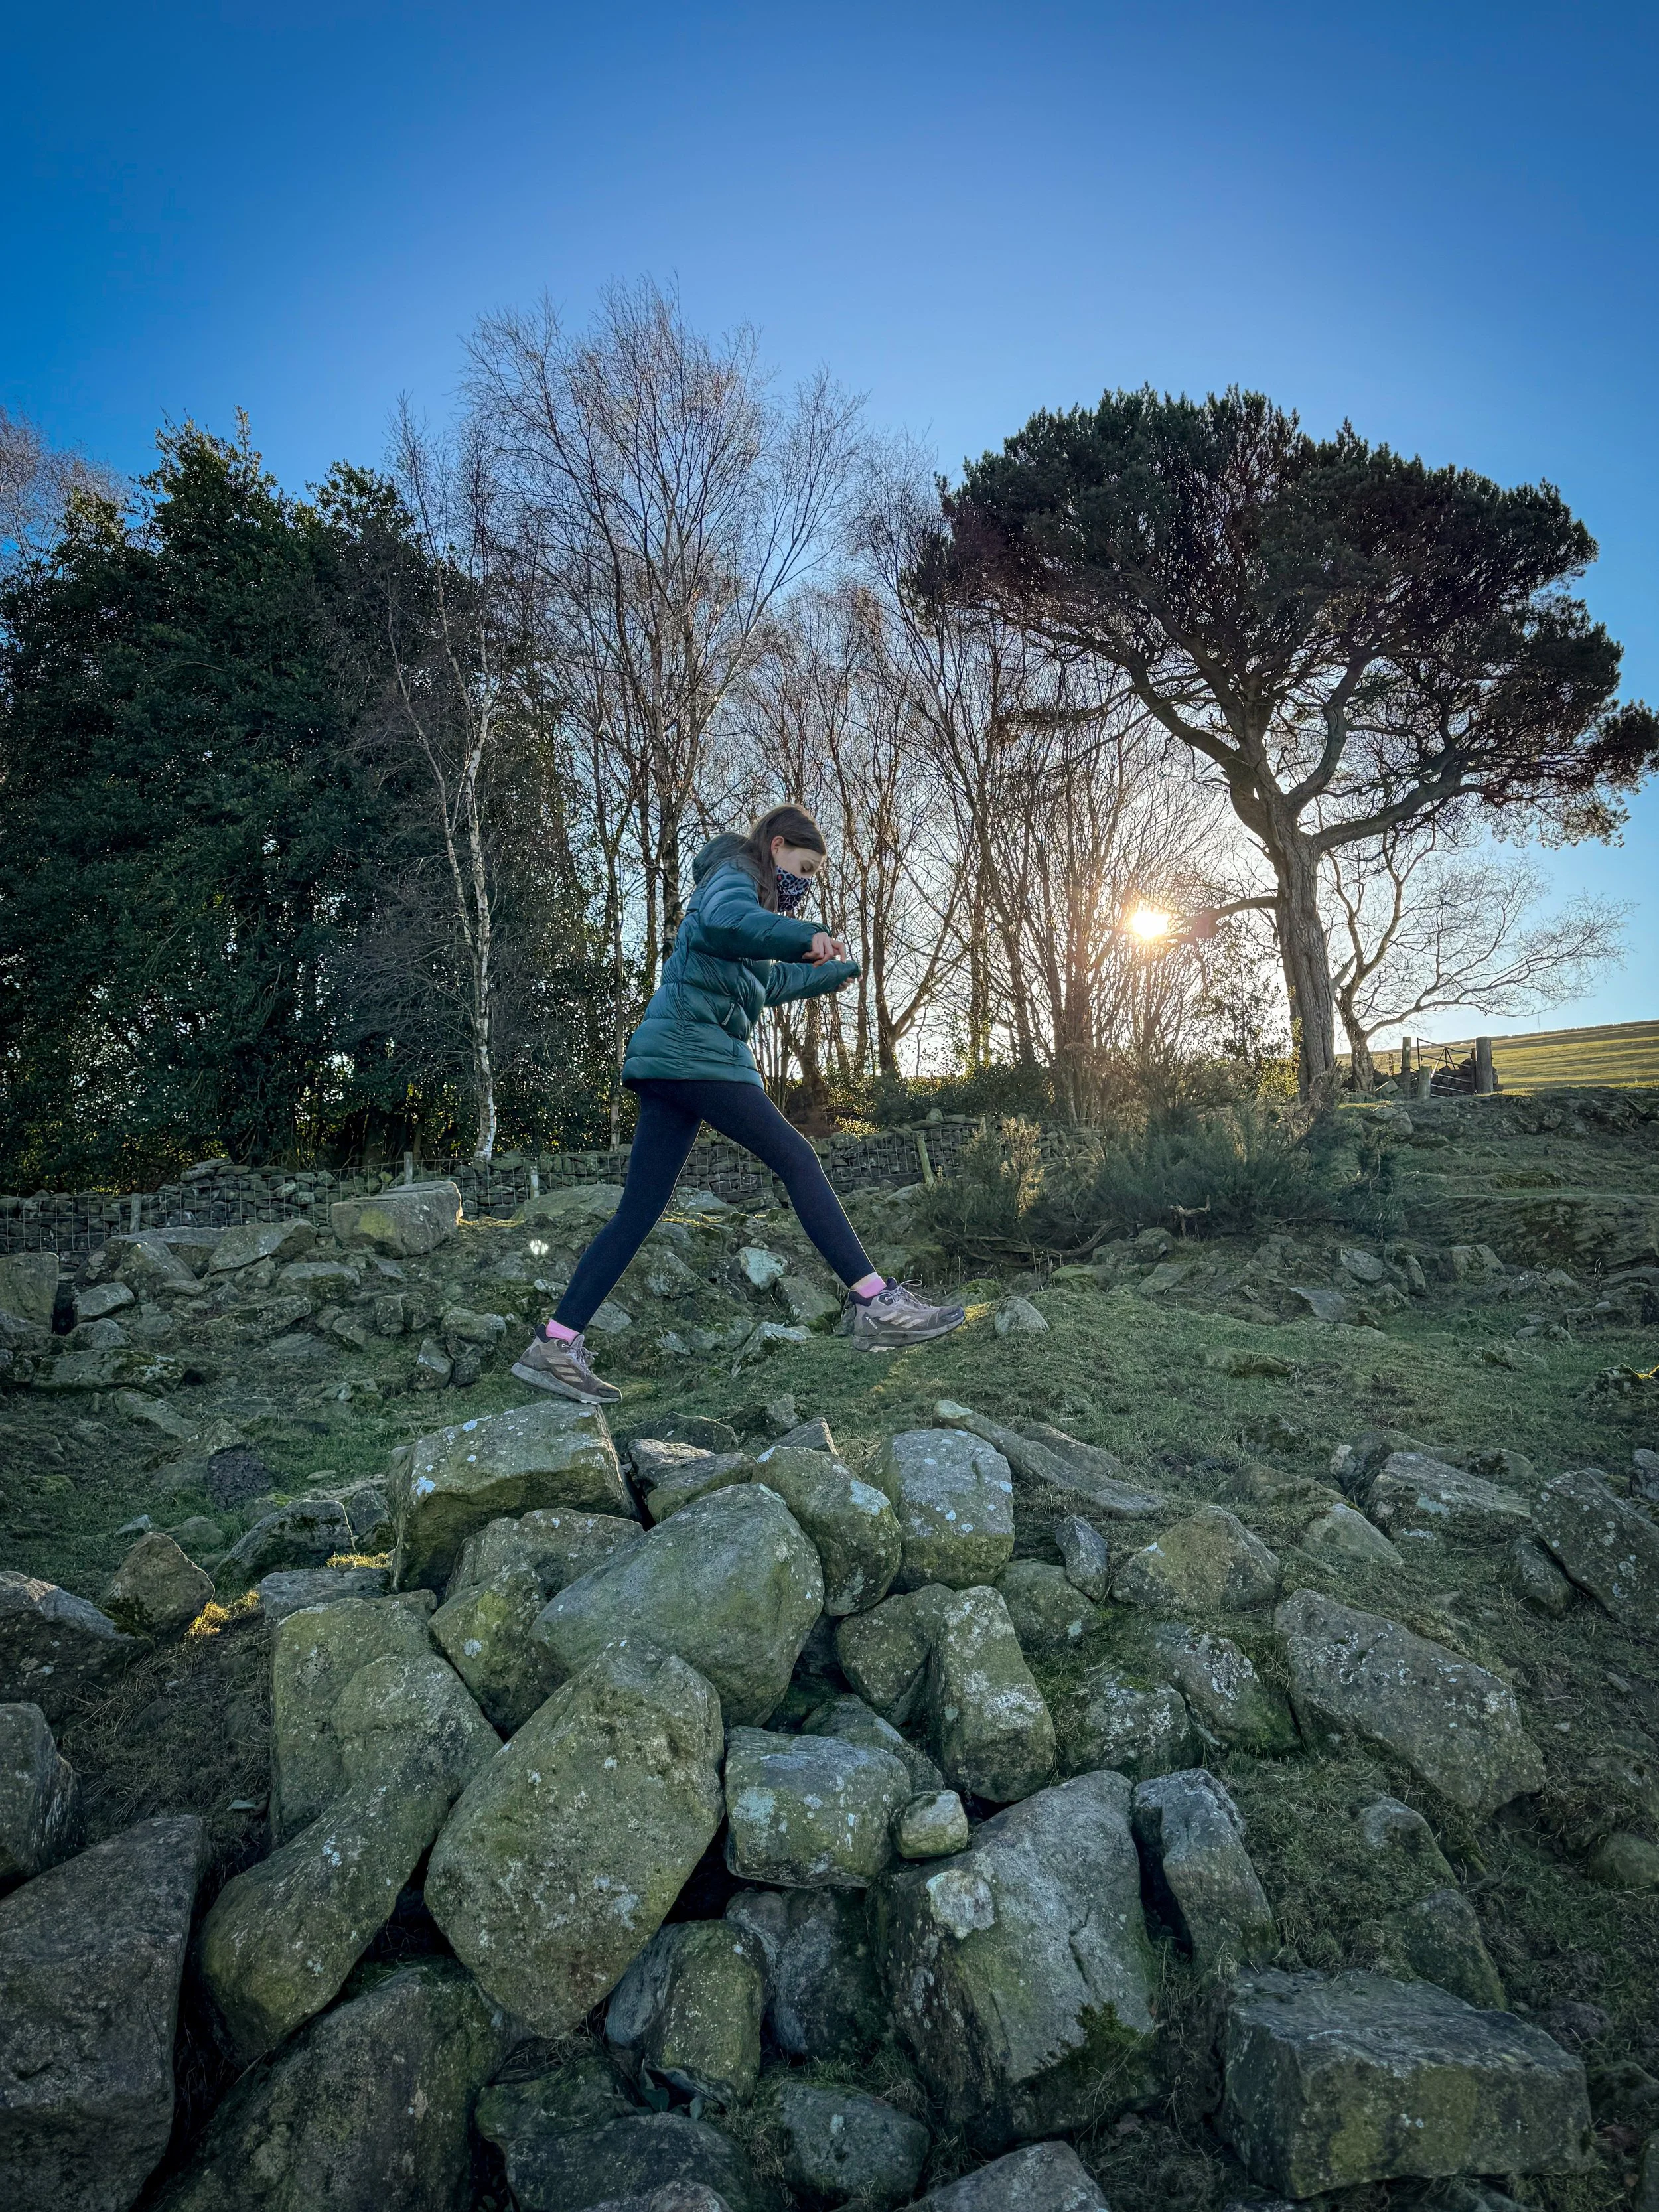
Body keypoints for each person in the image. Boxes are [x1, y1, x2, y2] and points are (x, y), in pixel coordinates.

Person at [512, 804, 966, 1404]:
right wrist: (805, 934)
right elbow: (727, 923)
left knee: (639, 1210)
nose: (803, 884)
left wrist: (827, 973)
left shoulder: (753, 904)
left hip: (674, 1059)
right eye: (802, 867)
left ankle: (555, 1342)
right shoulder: (737, 875)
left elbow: (765, 981)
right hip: (696, 1053)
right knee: (798, 1158)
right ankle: (874, 1302)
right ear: (776, 847)